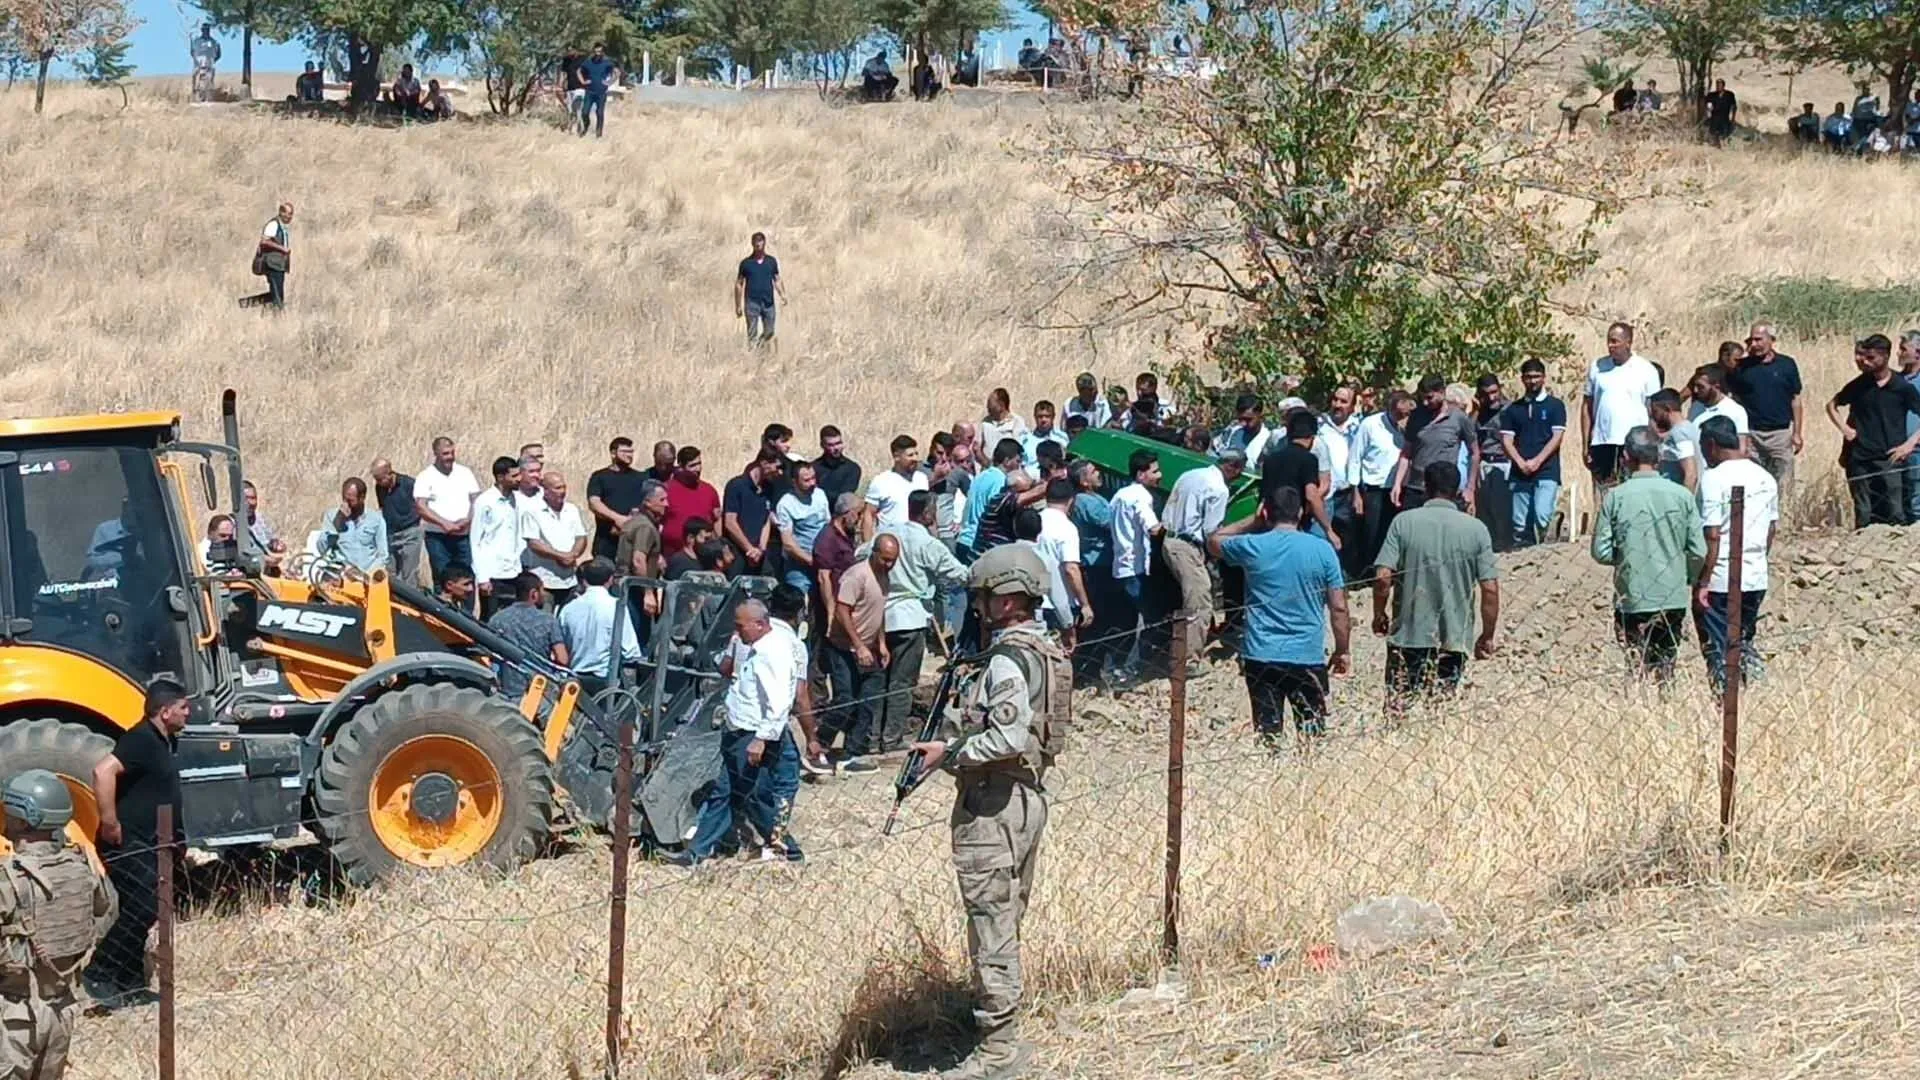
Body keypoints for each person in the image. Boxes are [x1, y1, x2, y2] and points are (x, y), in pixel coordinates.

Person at [906, 544, 1067, 1080]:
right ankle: (1001, 1026)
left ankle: (998, 1048)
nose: (976, 606)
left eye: (982, 597)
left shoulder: (1005, 659)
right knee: (1005, 916)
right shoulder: (1043, 649)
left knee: (991, 921)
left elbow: (1007, 734)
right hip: (1026, 797)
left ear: (1006, 600)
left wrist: (946, 753)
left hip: (992, 802)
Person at [1208, 486, 1349, 740]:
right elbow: (1338, 607)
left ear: (1266, 511)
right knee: (1313, 734)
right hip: (1307, 654)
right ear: (1301, 511)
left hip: (1262, 654)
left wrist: (1253, 521)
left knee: (1267, 734)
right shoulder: (1323, 550)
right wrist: (1342, 650)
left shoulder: (1253, 546)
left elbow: (1214, 540)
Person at [2, 769, 116, 1067]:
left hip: (13, 1018)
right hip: (61, 1009)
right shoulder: (82, 867)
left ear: (23, 818)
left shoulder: (8, 878)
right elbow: (108, 912)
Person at [86, 678, 190, 1004]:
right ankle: (99, 973)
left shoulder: (163, 742)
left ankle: (129, 986)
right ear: (164, 711)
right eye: (183, 707)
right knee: (145, 906)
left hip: (154, 841)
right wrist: (109, 821)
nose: (188, 713)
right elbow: (103, 772)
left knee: (142, 908)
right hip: (128, 842)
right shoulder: (140, 739)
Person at [675, 600, 796, 865]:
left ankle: (788, 850)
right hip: (738, 732)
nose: (737, 631)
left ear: (760, 624)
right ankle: (696, 852)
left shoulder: (771, 653)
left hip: (751, 736)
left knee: (755, 797)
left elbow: (778, 703)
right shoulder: (757, 647)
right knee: (724, 792)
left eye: (741, 626)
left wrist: (760, 739)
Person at [1373, 462, 1499, 715]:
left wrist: (1379, 614)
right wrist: (1487, 634)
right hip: (1453, 636)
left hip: (1408, 635)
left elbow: (1383, 576)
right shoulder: (1476, 529)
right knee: (1441, 708)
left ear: (1425, 488)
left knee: (1399, 707)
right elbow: (1490, 588)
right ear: (1457, 490)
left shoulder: (1403, 523)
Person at [1590, 426, 1704, 682]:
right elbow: (1698, 549)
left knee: (1635, 664)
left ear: (1626, 458)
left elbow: (1600, 551)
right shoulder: (1682, 496)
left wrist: (1624, 557)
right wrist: (1687, 575)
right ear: (1659, 457)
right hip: (1672, 594)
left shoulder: (1615, 498)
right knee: (1666, 665)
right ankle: (1666, 703)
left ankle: (1638, 705)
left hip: (1632, 594)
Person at [859, 491, 968, 753]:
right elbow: (958, 573)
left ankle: (871, 738)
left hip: (880, 617)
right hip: (910, 618)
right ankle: (892, 738)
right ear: (929, 514)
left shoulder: (885, 534)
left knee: (877, 681)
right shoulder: (927, 543)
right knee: (901, 682)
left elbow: (859, 553)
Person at [1694, 417, 1777, 694]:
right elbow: (1771, 528)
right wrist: (1759, 558)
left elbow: (1713, 534)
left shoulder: (1713, 478)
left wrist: (1704, 580)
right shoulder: (1764, 477)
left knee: (1720, 646)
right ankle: (1754, 692)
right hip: (1755, 574)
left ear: (1712, 445)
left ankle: (1724, 697)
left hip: (1721, 578)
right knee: (1743, 639)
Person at [1162, 445, 1243, 674]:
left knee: (1189, 598)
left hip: (1170, 540)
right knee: (1200, 603)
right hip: (1188, 546)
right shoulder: (1218, 489)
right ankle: (1189, 662)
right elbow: (1211, 530)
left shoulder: (1190, 475)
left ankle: (1180, 650)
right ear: (1233, 467)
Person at [1828, 333, 1920, 527]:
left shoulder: (1901, 387)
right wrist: (1844, 429)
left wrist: (1909, 445)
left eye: (1872, 358)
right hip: (1860, 457)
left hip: (1890, 457)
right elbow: (1832, 404)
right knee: (1864, 513)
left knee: (1895, 512)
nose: (1866, 362)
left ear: (1885, 357)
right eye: (1865, 357)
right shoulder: (1859, 385)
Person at [823, 536, 898, 770]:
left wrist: (881, 643)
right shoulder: (857, 576)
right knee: (845, 700)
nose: (888, 565)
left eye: (893, 561)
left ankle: (852, 753)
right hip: (844, 647)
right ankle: (819, 744)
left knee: (869, 701)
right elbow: (842, 612)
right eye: (885, 559)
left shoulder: (885, 576)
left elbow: (878, 611)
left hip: (869, 646)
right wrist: (859, 644)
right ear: (874, 553)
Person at [1582, 322, 1662, 497]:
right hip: (1603, 441)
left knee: (1633, 492)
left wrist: (1654, 441)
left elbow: (1653, 409)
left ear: (1628, 342)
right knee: (1603, 493)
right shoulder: (1597, 367)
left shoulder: (1645, 369)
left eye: (1615, 341)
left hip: (1634, 441)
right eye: (1609, 341)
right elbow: (1587, 406)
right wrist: (1586, 443)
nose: (1611, 346)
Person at [1497, 360, 1567, 548]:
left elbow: (1557, 437)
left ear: (1544, 378)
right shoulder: (1513, 409)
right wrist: (1520, 462)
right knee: (1520, 521)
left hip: (1547, 469)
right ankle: (1524, 555)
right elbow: (1506, 440)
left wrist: (1537, 461)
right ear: (1522, 379)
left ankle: (1550, 540)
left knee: (1542, 515)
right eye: (1528, 377)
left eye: (1536, 376)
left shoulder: (1555, 406)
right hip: (1520, 471)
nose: (1532, 381)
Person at [1108, 448, 1163, 682]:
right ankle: (1131, 670)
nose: (1159, 475)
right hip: (1135, 568)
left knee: (1125, 621)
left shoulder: (1118, 495)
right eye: (1155, 471)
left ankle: (1114, 666)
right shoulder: (1141, 496)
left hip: (1119, 565)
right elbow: (1153, 528)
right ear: (1141, 474)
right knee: (1146, 621)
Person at [1732, 322, 1805, 498]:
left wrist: (1797, 433)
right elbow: (1735, 400)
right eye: (1751, 340)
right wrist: (1741, 435)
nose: (1755, 344)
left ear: (1771, 340)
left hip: (1779, 434)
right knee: (1754, 483)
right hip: (1752, 434)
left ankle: (1783, 520)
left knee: (1784, 482)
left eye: (1759, 339)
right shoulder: (1742, 368)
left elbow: (1796, 399)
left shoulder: (1787, 365)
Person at [1394, 375, 1479, 513]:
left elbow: (1474, 453)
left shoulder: (1458, 418)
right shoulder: (1416, 417)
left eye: (1430, 397)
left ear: (1442, 392)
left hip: (1445, 492)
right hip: (1416, 489)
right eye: (1423, 398)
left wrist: (1470, 488)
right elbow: (1406, 453)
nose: (1426, 402)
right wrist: (1397, 484)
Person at [559, 558, 643, 693]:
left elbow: (562, 647)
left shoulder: (567, 609)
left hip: (574, 682)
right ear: (610, 580)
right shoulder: (617, 607)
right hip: (605, 682)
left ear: (584, 580)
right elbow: (631, 651)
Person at [1348, 390, 1411, 568]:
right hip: (1374, 489)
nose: (1403, 416)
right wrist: (1355, 492)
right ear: (1390, 409)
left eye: (1405, 413)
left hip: (1400, 488)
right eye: (1399, 413)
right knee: (1372, 533)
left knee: (1395, 533)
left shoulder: (1410, 427)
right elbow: (1355, 458)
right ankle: (1369, 573)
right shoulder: (1370, 425)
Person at [487, 573, 570, 699]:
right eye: (542, 590)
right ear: (534, 593)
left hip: (508, 691)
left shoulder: (496, 619)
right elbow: (562, 658)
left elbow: (489, 656)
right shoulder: (548, 620)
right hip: (540, 692)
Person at [414, 436, 480, 590]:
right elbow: (421, 506)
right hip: (438, 537)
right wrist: (444, 524)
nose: (450, 457)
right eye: (445, 454)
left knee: (467, 577)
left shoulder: (465, 473)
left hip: (463, 535)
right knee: (442, 578)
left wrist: (468, 520)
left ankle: (465, 613)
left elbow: (476, 499)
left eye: (452, 452)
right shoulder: (425, 476)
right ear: (436, 454)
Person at [521, 471, 590, 607]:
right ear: (545, 491)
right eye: (557, 488)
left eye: (564, 487)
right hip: (545, 581)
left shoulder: (571, 509)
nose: (563, 491)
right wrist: (559, 556)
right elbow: (534, 543)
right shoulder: (532, 511)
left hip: (570, 580)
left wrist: (573, 554)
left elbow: (581, 536)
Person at [719, 448, 780, 576]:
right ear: (764, 464)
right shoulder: (736, 486)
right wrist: (749, 549)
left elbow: (766, 520)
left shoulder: (769, 488)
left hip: (759, 555)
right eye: (777, 466)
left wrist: (761, 548)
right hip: (738, 554)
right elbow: (730, 522)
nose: (780, 472)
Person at [586, 438, 647, 562]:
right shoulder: (600, 477)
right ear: (613, 453)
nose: (629, 455)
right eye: (624, 451)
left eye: (631, 452)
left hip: (633, 544)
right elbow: (594, 503)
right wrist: (618, 519)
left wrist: (632, 521)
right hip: (606, 544)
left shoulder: (640, 478)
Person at [1472, 375, 1514, 553]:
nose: (1491, 398)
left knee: (1501, 508)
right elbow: (1468, 432)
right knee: (1484, 509)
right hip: (1483, 463)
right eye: (1485, 394)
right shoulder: (1479, 412)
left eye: (1494, 392)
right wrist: (1474, 410)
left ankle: (1505, 544)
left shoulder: (1510, 409)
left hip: (1503, 463)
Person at [775, 461, 830, 594]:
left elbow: (828, 524)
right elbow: (788, 543)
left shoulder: (820, 494)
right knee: (799, 602)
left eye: (813, 478)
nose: (812, 483)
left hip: (824, 562)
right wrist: (810, 561)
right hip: (799, 567)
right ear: (794, 481)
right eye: (806, 480)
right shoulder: (786, 504)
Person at [369, 458, 424, 584]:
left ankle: (411, 601)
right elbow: (383, 508)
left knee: (409, 573)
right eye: (376, 479)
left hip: (410, 533)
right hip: (391, 534)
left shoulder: (409, 484)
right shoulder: (379, 488)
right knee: (390, 573)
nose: (378, 482)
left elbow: (421, 505)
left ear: (389, 472)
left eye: (380, 478)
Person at [864, 435, 929, 537]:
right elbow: (869, 515)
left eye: (916, 454)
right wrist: (867, 545)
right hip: (891, 544)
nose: (915, 458)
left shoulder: (922, 479)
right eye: (910, 455)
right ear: (896, 457)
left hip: (918, 540)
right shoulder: (881, 481)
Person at [322, 477, 390, 573]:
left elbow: (383, 555)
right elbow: (323, 548)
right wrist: (337, 523)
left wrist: (368, 573)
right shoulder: (331, 516)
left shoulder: (376, 520)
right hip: (341, 575)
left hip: (368, 575)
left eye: (350, 500)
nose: (346, 504)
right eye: (344, 499)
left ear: (362, 498)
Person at [661, 446, 721, 555]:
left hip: (704, 556)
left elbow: (717, 520)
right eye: (692, 466)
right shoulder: (666, 490)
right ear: (681, 467)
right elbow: (657, 523)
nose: (698, 469)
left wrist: (718, 546)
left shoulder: (709, 490)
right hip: (673, 556)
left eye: (699, 464)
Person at [241, 201, 294, 310]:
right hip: (272, 264)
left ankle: (245, 303)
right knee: (277, 297)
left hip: (279, 265)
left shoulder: (282, 226)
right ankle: (278, 319)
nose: (290, 216)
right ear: (281, 212)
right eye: (288, 213)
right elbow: (264, 241)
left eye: (291, 214)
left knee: (277, 295)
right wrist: (282, 249)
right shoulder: (273, 224)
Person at [735, 232, 786, 346]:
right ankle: (754, 357)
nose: (758, 243)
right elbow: (739, 283)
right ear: (752, 243)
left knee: (770, 332)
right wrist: (738, 305)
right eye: (756, 241)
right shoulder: (746, 263)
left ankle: (761, 347)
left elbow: (777, 279)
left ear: (764, 242)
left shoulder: (771, 261)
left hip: (768, 303)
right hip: (752, 303)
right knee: (752, 334)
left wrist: (782, 294)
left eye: (760, 240)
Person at [1647, 389, 1701, 493]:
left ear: (1667, 409)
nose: (1654, 417)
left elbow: (1691, 474)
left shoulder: (1680, 432)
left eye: (1656, 412)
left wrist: (1685, 504)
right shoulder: (1686, 427)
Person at [615, 481, 669, 580]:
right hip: (635, 589)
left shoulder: (636, 521)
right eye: (662, 500)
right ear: (648, 502)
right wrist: (647, 591)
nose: (667, 504)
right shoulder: (645, 526)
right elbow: (638, 561)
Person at [1687, 365, 1750, 446]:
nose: (1695, 390)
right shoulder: (1696, 406)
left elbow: (1742, 446)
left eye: (1700, 387)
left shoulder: (1735, 411)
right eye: (1694, 386)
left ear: (1716, 387)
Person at [812, 426, 862, 508]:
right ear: (822, 445)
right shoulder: (813, 468)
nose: (836, 448)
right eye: (831, 445)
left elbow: (844, 498)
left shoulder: (852, 469)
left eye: (838, 443)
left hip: (842, 513)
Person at [577, 42, 619, 138]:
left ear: (603, 52)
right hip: (590, 92)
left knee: (599, 113)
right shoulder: (588, 62)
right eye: (596, 51)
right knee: (585, 112)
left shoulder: (607, 62)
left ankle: (599, 133)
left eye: (600, 51)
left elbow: (617, 72)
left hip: (601, 93)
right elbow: (578, 71)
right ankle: (586, 126)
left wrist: (609, 82)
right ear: (594, 51)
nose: (598, 53)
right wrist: (583, 81)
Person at [1215, 393, 1272, 461]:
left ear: (1260, 416)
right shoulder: (1232, 431)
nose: (1243, 424)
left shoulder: (1268, 440)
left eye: (1248, 419)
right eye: (1240, 419)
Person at [1901, 330, 1920, 525]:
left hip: (1916, 449)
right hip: (1897, 450)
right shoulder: (1897, 381)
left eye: (1903, 349)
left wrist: (1913, 441)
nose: (1899, 354)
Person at [1020, 402, 1068, 470]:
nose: (1043, 420)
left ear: (1053, 417)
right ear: (1035, 417)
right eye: (1040, 416)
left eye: (1047, 416)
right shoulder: (1025, 440)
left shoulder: (1062, 438)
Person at [980, 389, 1029, 455]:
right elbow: (979, 446)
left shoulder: (1016, 421)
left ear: (1001, 405)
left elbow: (1018, 447)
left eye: (990, 404)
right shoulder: (985, 423)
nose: (987, 407)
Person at [190, 23, 220, 102]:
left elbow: (218, 54)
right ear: (201, 30)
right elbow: (192, 52)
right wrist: (196, 60)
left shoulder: (214, 42)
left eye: (207, 30)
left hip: (209, 64)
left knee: (210, 79)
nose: (206, 31)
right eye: (204, 30)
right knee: (194, 76)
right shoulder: (196, 41)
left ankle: (209, 95)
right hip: (198, 64)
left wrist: (213, 60)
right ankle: (194, 92)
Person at [1704, 78, 1737, 143]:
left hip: (1724, 117)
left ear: (1723, 86)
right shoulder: (1711, 95)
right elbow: (1707, 105)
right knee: (1713, 134)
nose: (1718, 87)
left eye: (1720, 85)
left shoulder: (1729, 95)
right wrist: (1708, 112)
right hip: (1714, 117)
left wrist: (1733, 118)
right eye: (1717, 85)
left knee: (1724, 135)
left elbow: (1734, 106)